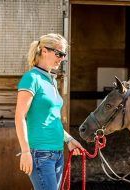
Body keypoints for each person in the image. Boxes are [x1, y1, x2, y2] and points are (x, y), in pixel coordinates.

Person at [15, 33, 84, 190]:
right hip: (40, 154)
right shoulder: (31, 78)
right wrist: (25, 152)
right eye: (59, 53)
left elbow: (52, 118)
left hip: (57, 153)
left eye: (64, 54)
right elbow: (19, 117)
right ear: (44, 50)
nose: (62, 58)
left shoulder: (51, 79)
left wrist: (68, 139)